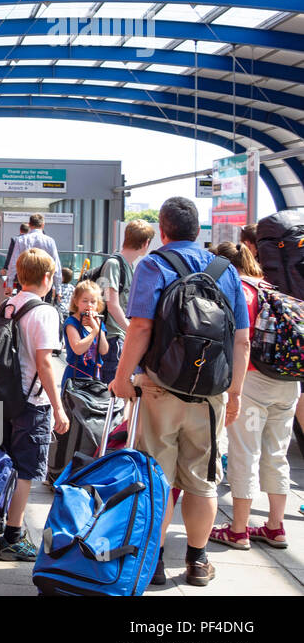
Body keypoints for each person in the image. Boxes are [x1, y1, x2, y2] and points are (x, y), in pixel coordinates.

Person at [109, 197, 250, 588]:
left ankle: (152, 561)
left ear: (163, 230)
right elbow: (241, 340)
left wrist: (123, 379)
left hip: (159, 388)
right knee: (202, 480)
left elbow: (140, 328)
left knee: (157, 476)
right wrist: (234, 393)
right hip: (209, 395)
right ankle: (197, 561)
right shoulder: (226, 271)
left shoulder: (154, 264)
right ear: (198, 231)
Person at [208, 242, 299, 553]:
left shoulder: (240, 291)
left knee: (244, 453)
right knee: (277, 454)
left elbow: (240, 343)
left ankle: (238, 529)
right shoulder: (271, 287)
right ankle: (275, 526)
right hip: (288, 381)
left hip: (252, 381)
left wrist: (232, 389)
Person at [0, 248, 70, 561]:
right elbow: (45, 363)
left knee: (4, 463)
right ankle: (13, 535)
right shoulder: (45, 312)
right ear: (48, 278)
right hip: (31, 402)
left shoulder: (8, 305)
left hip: (3, 398)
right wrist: (59, 408)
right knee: (25, 470)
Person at [98, 220, 154, 385]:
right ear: (146, 243)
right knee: (112, 392)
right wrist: (132, 331)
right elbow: (112, 304)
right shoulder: (114, 264)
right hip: (113, 337)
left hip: (119, 336)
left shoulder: (127, 265)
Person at [5, 214, 62, 299]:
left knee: (24, 308)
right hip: (44, 282)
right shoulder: (50, 241)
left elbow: (13, 263)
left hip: (25, 281)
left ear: (29, 224)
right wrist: (58, 289)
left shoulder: (21, 240)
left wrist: (10, 284)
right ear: (43, 225)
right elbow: (56, 265)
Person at [63, 280, 108, 384]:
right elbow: (78, 349)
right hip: (75, 376)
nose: (89, 305)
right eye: (85, 301)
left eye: (93, 302)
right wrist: (94, 332)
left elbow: (104, 350)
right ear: (76, 302)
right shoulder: (72, 322)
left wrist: (98, 328)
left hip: (94, 377)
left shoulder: (98, 323)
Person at [0, 223, 30, 295]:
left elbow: (10, 255)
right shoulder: (32, 240)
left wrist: (5, 268)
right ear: (28, 230)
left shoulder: (15, 239)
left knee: (19, 287)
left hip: (18, 268)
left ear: (20, 230)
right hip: (29, 269)